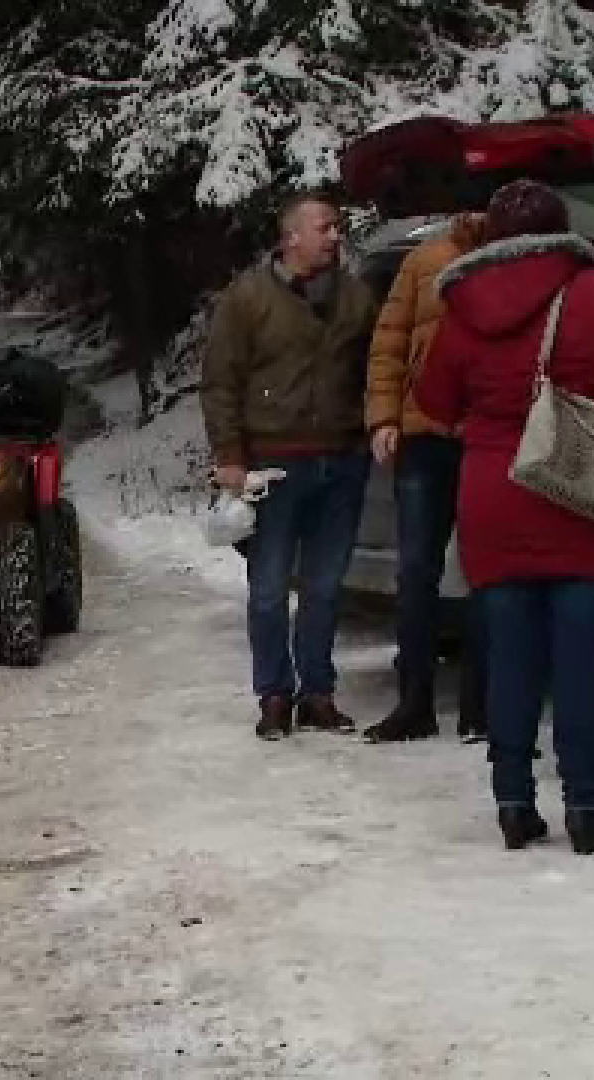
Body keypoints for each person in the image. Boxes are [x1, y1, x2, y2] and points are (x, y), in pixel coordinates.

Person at [413, 178, 594, 854]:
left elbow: (434, 400)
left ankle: (514, 803)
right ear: (564, 229)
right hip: (582, 492)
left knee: (510, 658)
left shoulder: (462, 306)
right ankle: (587, 808)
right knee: (581, 660)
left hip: (494, 500)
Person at [201, 190, 379, 741]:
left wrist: (376, 427)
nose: (334, 236)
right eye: (324, 227)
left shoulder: (356, 299)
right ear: (291, 237)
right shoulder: (248, 299)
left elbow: (377, 368)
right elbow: (221, 381)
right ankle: (274, 695)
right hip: (272, 465)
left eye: (337, 227)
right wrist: (229, 455)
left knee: (325, 588)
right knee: (270, 589)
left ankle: (318, 694)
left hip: (341, 460)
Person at [362, 211, 492, 744]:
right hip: (422, 433)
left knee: (487, 571)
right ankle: (415, 701)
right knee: (416, 570)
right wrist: (384, 417)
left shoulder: (513, 256)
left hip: (487, 434)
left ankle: (478, 708)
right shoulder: (425, 257)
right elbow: (389, 342)